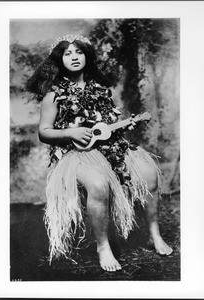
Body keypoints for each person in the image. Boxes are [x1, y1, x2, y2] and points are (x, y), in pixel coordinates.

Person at [27, 34, 173, 272]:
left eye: (79, 52)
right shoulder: (53, 94)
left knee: (149, 175)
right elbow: (44, 133)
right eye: (67, 53)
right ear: (58, 60)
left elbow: (106, 125)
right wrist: (71, 133)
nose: (74, 57)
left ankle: (154, 234)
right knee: (98, 184)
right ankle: (103, 246)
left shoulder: (101, 89)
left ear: (87, 56)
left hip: (110, 146)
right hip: (75, 152)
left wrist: (124, 125)